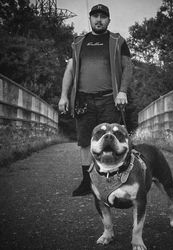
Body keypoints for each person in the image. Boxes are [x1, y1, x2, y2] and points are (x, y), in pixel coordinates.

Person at [58, 4, 133, 196]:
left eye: (103, 16)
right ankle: (87, 182)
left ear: (109, 20)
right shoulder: (78, 42)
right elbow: (70, 70)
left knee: (112, 140)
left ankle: (115, 181)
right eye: (95, 16)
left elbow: (128, 68)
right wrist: (64, 95)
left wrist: (122, 91)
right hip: (83, 100)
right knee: (85, 141)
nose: (99, 19)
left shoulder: (117, 41)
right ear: (90, 19)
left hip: (110, 99)